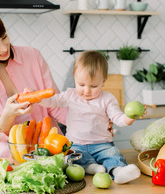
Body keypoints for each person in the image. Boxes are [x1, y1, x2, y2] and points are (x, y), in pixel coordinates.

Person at [0, 6, 67, 159]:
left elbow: (58, 106)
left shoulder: (32, 56)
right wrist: (8, 115)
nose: (3, 48)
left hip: (49, 151)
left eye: (4, 37)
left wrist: (92, 121)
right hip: (8, 159)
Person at [40, 50, 143, 184]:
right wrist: (38, 98)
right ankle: (92, 168)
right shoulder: (70, 95)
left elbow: (118, 118)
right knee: (72, 158)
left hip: (102, 144)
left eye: (93, 86)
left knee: (112, 155)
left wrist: (129, 118)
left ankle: (119, 172)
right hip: (76, 144)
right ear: (74, 78)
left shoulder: (107, 99)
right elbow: (53, 101)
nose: (87, 91)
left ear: (103, 82)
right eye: (81, 85)